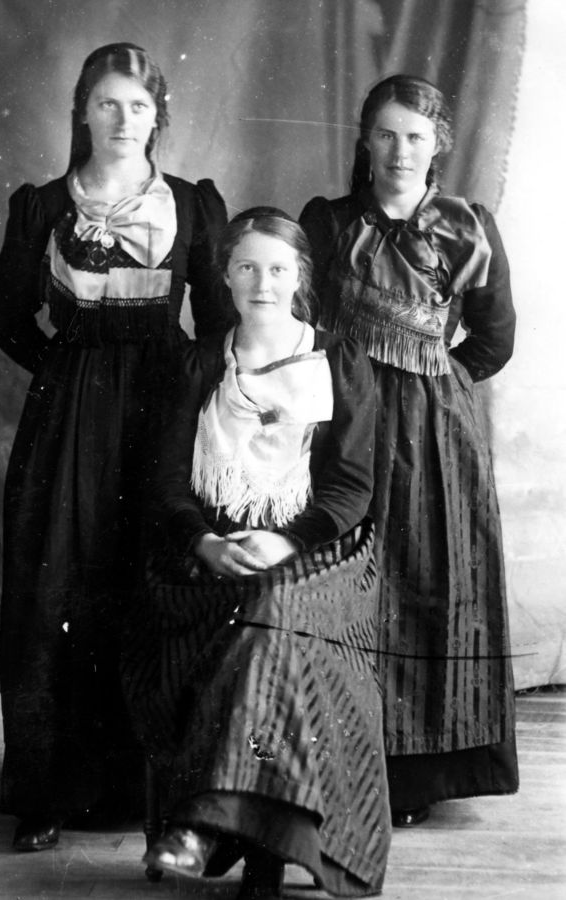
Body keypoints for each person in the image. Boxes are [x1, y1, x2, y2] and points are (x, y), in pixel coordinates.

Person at [0, 43, 230, 851]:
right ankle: (48, 792)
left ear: (158, 116)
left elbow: (219, 323)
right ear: (82, 113)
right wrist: (69, 374)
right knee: (55, 587)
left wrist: (177, 392)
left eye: (138, 106)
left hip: (164, 412)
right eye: (107, 104)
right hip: (66, 420)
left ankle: (156, 787)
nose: (123, 119)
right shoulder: (40, 207)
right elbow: (7, 320)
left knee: (151, 582)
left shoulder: (191, 204)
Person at [121, 208, 390, 899]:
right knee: (258, 624)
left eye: (276, 268)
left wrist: (287, 539)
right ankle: (258, 853)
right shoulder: (198, 362)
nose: (262, 283)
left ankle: (204, 827)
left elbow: (351, 486)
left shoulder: (339, 360)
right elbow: (166, 482)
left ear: (300, 276)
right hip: (210, 549)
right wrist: (205, 541)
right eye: (246, 267)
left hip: (319, 553)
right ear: (225, 277)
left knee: (270, 619)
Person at [299, 74, 518, 828]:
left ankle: (415, 774)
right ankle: (332, 756)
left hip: (431, 437)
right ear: (365, 141)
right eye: (386, 135)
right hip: (341, 423)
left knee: (424, 581)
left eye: (415, 137)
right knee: (343, 580)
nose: (400, 152)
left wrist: (433, 388)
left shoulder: (466, 227)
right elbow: (301, 319)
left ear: (437, 146)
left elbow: (492, 341)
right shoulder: (329, 222)